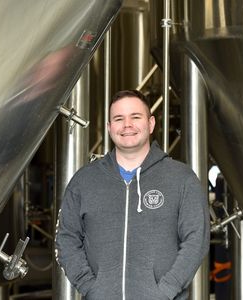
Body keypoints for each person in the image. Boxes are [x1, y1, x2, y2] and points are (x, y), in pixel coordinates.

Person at [55, 89, 210, 300]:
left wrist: (165, 291)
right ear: (109, 127)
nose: (127, 125)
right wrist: (90, 287)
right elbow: (66, 238)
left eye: (135, 117)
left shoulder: (182, 179)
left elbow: (196, 241)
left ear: (151, 123)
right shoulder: (84, 181)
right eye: (118, 119)